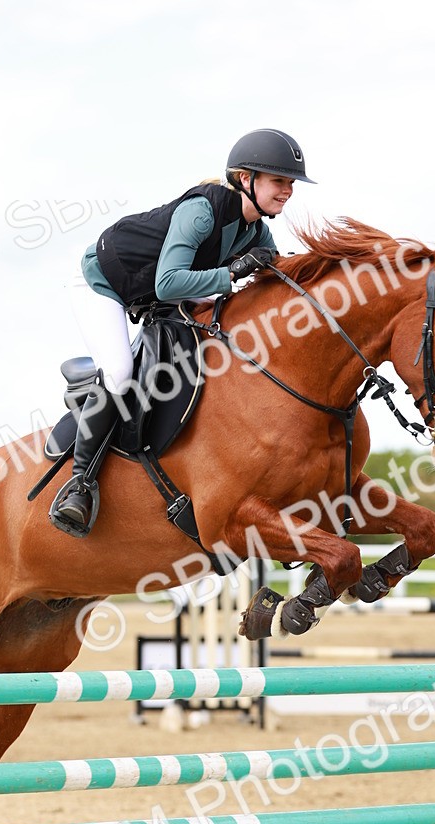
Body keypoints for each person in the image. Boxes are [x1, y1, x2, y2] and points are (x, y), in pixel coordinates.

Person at [51, 128, 316, 534]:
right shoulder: (202, 211)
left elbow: (273, 275)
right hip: (102, 283)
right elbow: (168, 282)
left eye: (290, 183)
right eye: (279, 181)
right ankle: (79, 483)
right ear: (246, 179)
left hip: (155, 296)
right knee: (120, 373)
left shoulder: (255, 229)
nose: (288, 191)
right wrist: (232, 273)